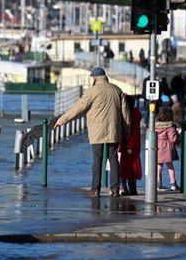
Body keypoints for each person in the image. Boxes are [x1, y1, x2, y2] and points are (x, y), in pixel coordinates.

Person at [55, 67, 131, 198]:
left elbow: (78, 108)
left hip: (97, 132)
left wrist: (63, 119)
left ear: (95, 78)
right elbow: (126, 114)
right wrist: (126, 131)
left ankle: (95, 189)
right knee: (113, 160)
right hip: (114, 131)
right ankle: (115, 189)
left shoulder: (92, 91)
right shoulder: (117, 90)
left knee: (97, 160)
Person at [118, 95, 142, 196]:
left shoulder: (129, 116)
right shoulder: (136, 115)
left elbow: (132, 133)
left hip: (127, 146)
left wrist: (129, 147)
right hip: (134, 147)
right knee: (133, 168)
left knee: (125, 167)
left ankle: (123, 187)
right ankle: (132, 188)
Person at [155, 108, 180, 191]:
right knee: (170, 167)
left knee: (159, 167)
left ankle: (158, 183)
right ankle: (173, 184)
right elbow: (173, 139)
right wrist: (178, 134)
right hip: (167, 150)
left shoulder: (155, 126)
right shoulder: (170, 128)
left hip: (157, 149)